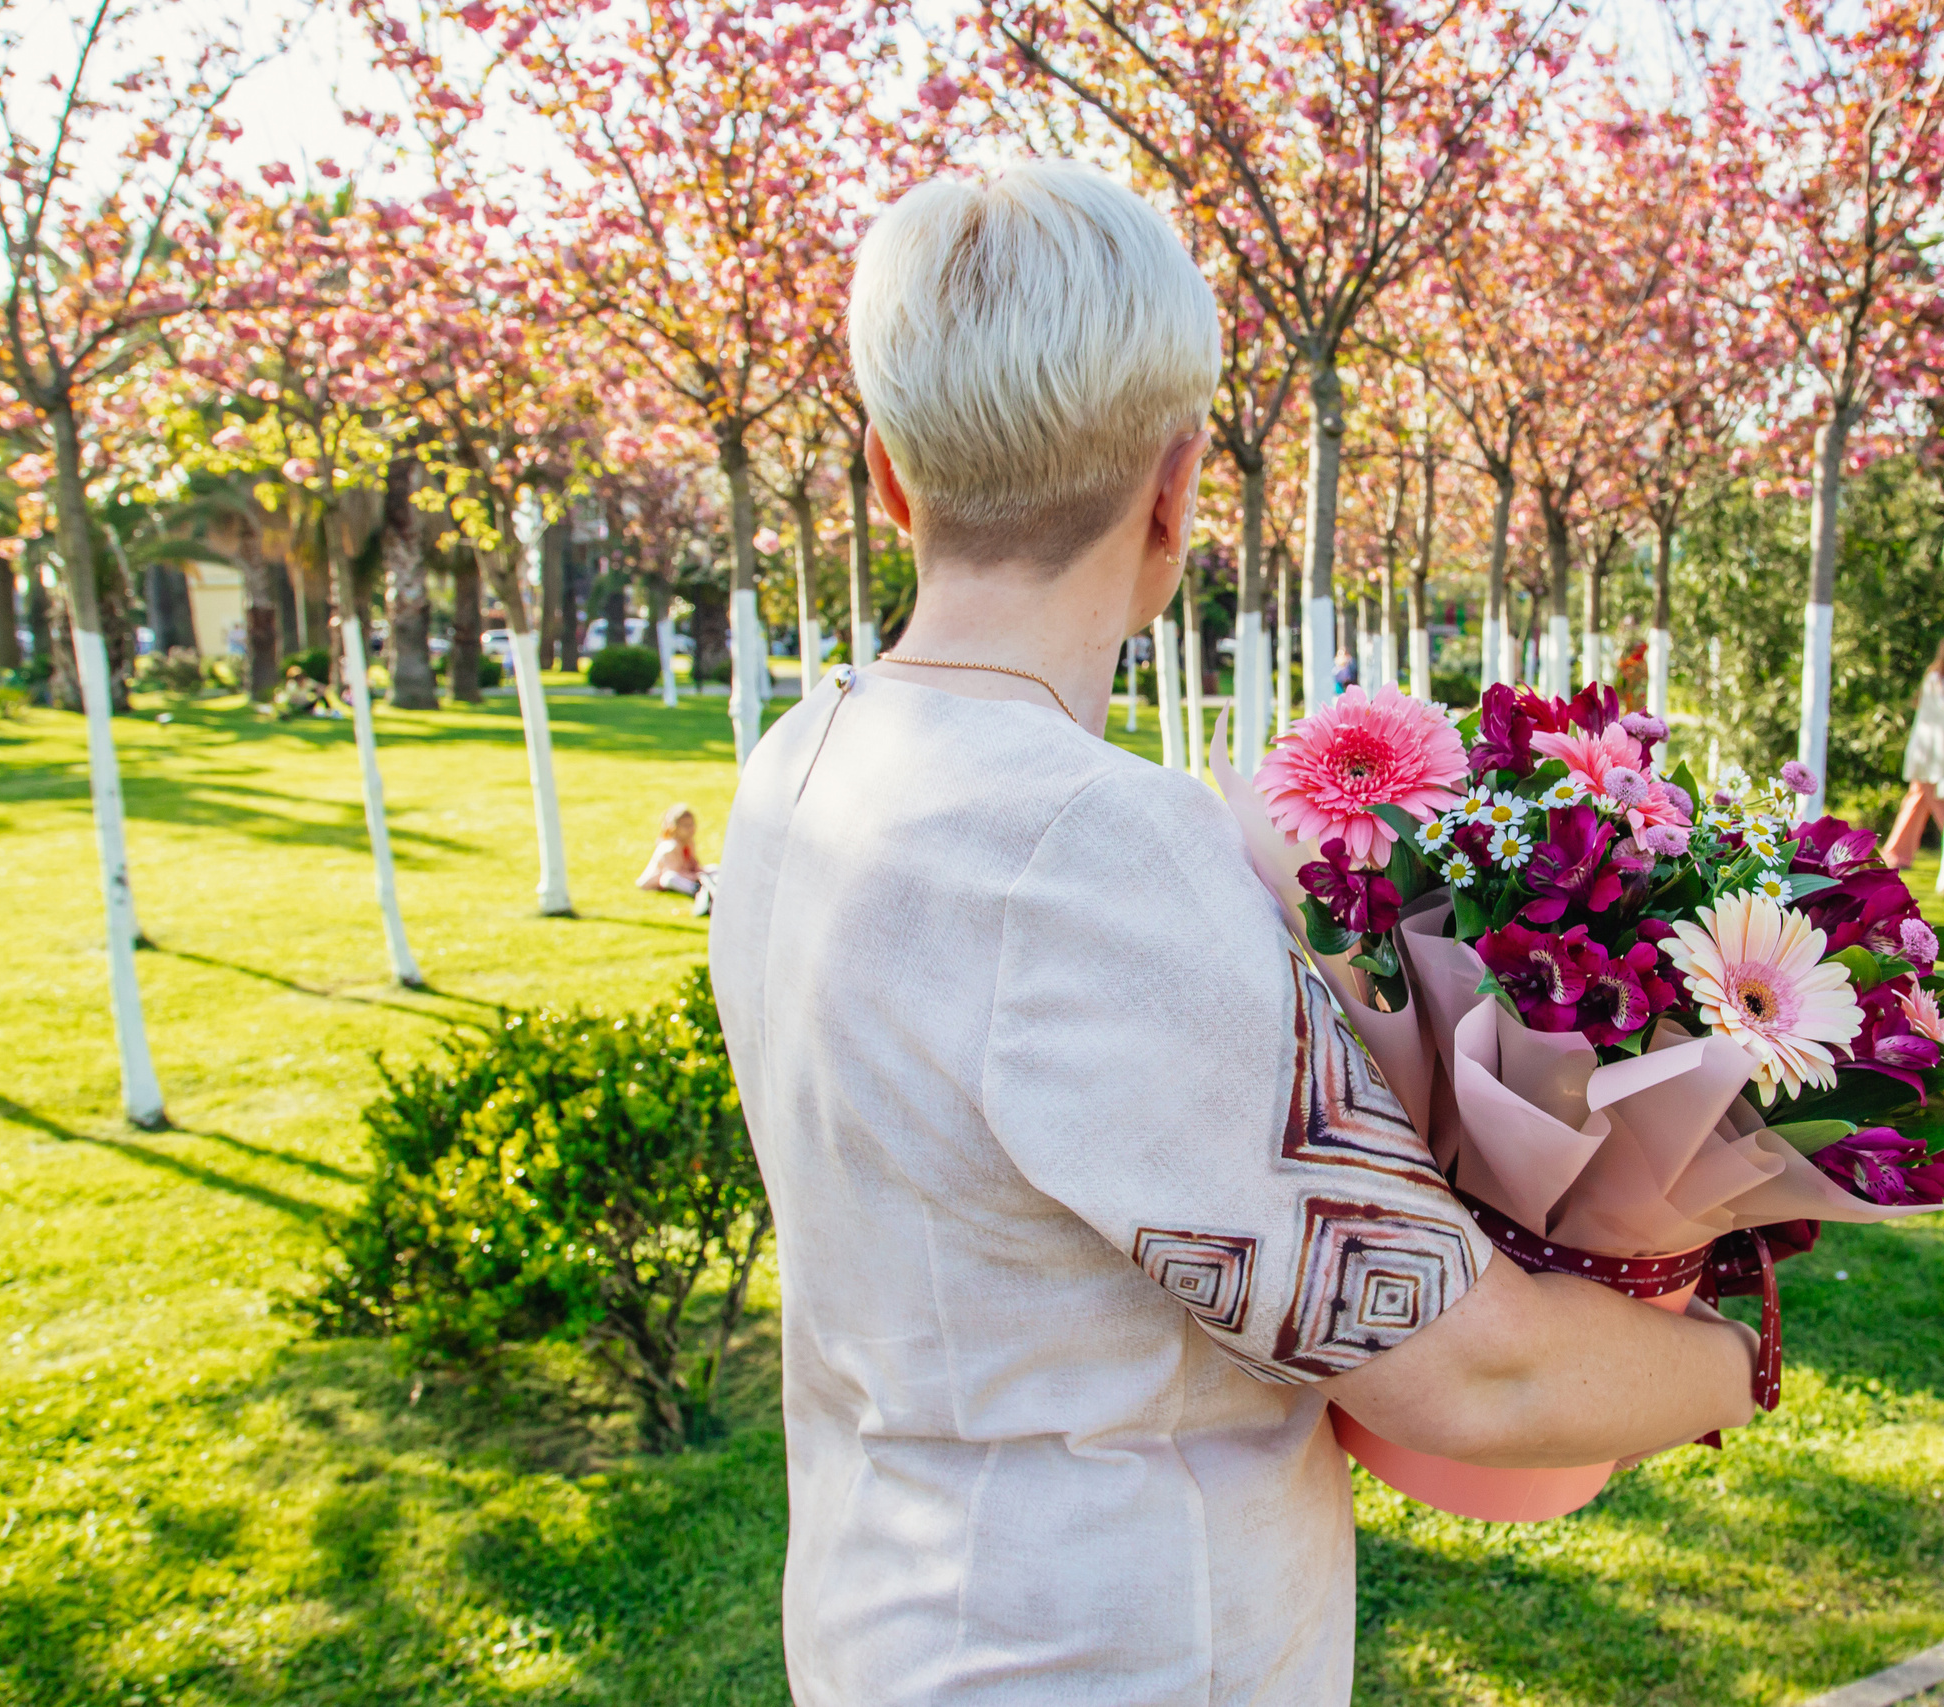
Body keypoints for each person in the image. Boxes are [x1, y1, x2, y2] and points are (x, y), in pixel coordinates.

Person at [708, 161, 1756, 1707]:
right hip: (1115, 1652)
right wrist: (1741, 1353)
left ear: (885, 475)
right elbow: (1474, 1364)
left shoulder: (797, 765)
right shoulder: (1087, 846)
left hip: (888, 1620)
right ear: (1176, 484)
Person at [1885, 630, 1944, 870]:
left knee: (1917, 803)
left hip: (1932, 756)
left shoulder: (1942, 679)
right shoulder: (1936, 679)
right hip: (1929, 756)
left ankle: (1896, 854)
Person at [636, 803, 716, 916]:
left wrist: (701, 872)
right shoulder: (669, 846)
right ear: (674, 827)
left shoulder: (689, 842)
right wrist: (697, 877)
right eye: (686, 826)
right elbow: (672, 872)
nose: (691, 829)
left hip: (686, 874)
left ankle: (709, 885)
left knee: (714, 868)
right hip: (663, 881)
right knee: (669, 878)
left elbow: (694, 863)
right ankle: (696, 890)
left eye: (692, 824)